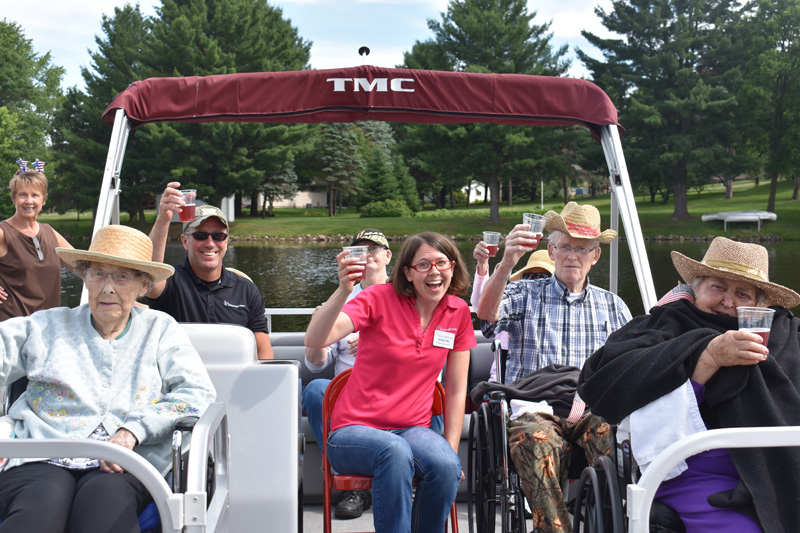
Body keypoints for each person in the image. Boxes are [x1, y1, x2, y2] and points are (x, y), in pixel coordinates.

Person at [0, 224, 216, 533]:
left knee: (104, 511)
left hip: (125, 461)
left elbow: (197, 392)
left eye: (122, 276)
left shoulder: (160, 329)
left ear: (143, 285)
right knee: (41, 507)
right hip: (43, 453)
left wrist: (134, 430)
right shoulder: (46, 326)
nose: (108, 288)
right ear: (84, 277)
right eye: (98, 274)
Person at [578, 237, 800, 532]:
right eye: (718, 287)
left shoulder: (786, 336)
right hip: (689, 470)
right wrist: (707, 358)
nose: (728, 302)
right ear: (696, 289)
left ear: (760, 305)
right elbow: (609, 388)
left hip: (781, 467)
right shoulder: (661, 327)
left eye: (743, 294)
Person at [476, 202, 631, 533]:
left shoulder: (614, 306)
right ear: (551, 250)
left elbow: (628, 366)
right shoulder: (523, 292)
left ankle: (612, 522)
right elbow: (487, 316)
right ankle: (553, 529)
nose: (572, 256)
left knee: (614, 434)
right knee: (539, 438)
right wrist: (505, 264)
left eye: (581, 249)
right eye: (565, 247)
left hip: (589, 407)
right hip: (535, 407)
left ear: (595, 256)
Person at [305, 232, 475, 533]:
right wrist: (344, 289)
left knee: (447, 466)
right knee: (394, 451)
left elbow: (457, 389)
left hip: (413, 429)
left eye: (441, 263)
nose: (435, 272)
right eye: (423, 265)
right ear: (407, 272)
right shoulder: (377, 298)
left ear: (453, 266)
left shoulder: (457, 311)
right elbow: (316, 339)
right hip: (353, 431)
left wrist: (450, 448)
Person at [303, 228, 392, 519]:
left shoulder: (406, 297)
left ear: (388, 256)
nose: (366, 257)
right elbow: (316, 363)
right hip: (347, 396)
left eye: (373, 250)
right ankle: (351, 483)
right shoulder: (339, 302)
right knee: (316, 388)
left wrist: (374, 338)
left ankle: (415, 477)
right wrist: (318, 334)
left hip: (393, 392)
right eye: (359, 251)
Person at [147, 182, 273, 359]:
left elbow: (263, 350)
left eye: (218, 236)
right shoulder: (171, 280)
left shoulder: (246, 289)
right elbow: (150, 278)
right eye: (200, 235)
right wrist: (164, 218)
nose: (210, 243)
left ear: (226, 242)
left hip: (235, 381)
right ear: (185, 241)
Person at [0, 159, 74, 321]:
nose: (29, 201)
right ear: (14, 198)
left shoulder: (50, 232)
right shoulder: (3, 232)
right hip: (11, 330)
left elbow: (82, 264)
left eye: (35, 195)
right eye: (22, 195)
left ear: (43, 199)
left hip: (48, 329)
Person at [471, 244, 554, 382]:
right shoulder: (513, 303)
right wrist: (482, 266)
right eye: (529, 277)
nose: (535, 282)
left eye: (543, 277)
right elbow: (483, 308)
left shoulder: (563, 318)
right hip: (502, 390)